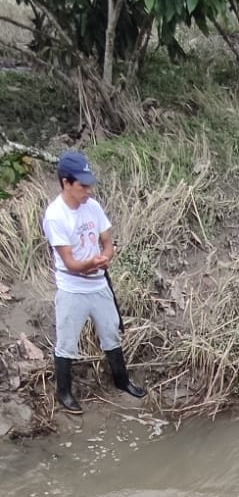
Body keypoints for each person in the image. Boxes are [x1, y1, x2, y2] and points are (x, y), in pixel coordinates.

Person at [42, 150, 144, 414]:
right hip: (72, 289)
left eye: (89, 185)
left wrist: (105, 257)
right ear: (66, 182)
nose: (88, 191)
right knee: (66, 342)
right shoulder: (55, 216)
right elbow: (69, 262)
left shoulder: (93, 207)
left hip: (99, 284)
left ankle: (122, 381)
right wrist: (91, 264)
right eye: (82, 186)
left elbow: (107, 242)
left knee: (111, 332)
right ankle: (64, 393)